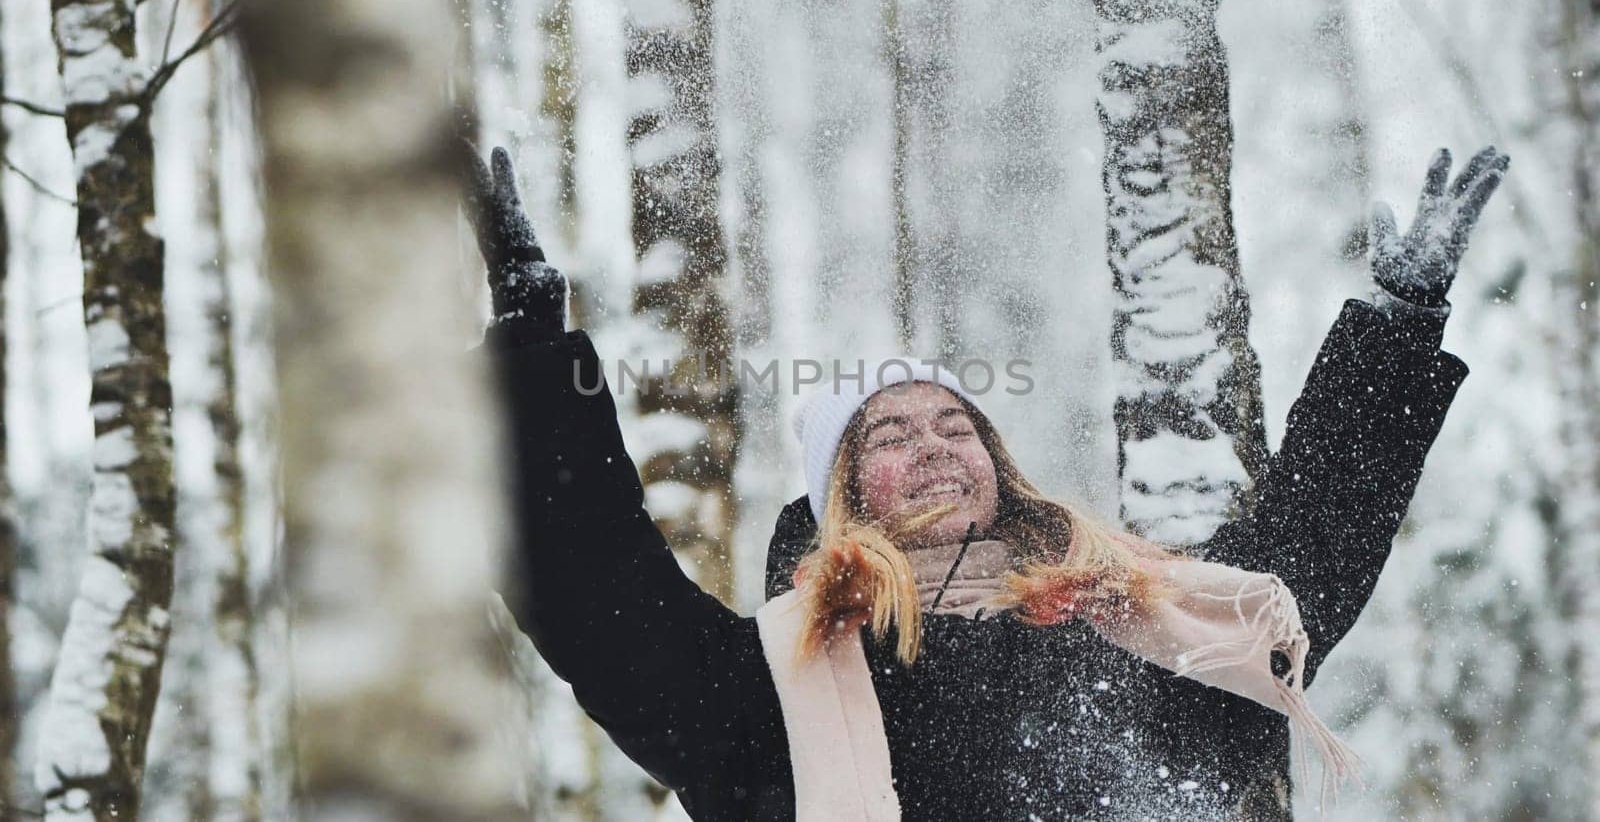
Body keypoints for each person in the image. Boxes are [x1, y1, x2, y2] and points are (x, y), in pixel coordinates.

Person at [466, 145, 1509, 820]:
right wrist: (530, 338)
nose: (931, 443)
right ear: (840, 490)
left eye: (953, 424)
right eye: (889, 432)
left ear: (995, 465)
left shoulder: (1133, 632)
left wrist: (1396, 325)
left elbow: (1299, 564)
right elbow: (592, 587)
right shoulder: (761, 695)